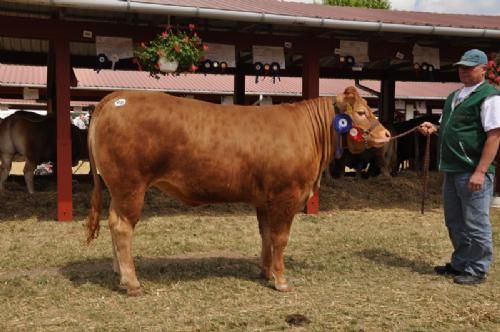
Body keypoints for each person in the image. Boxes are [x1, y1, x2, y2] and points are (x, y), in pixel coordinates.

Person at [418, 49, 500, 285]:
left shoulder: (490, 96)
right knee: (454, 220)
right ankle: (461, 262)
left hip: (471, 170)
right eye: (461, 67)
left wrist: (481, 171)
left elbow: (494, 136)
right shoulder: (454, 96)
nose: (463, 71)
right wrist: (432, 128)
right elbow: (446, 127)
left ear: (483, 69)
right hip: (452, 170)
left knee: (475, 222)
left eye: (469, 67)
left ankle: (477, 268)